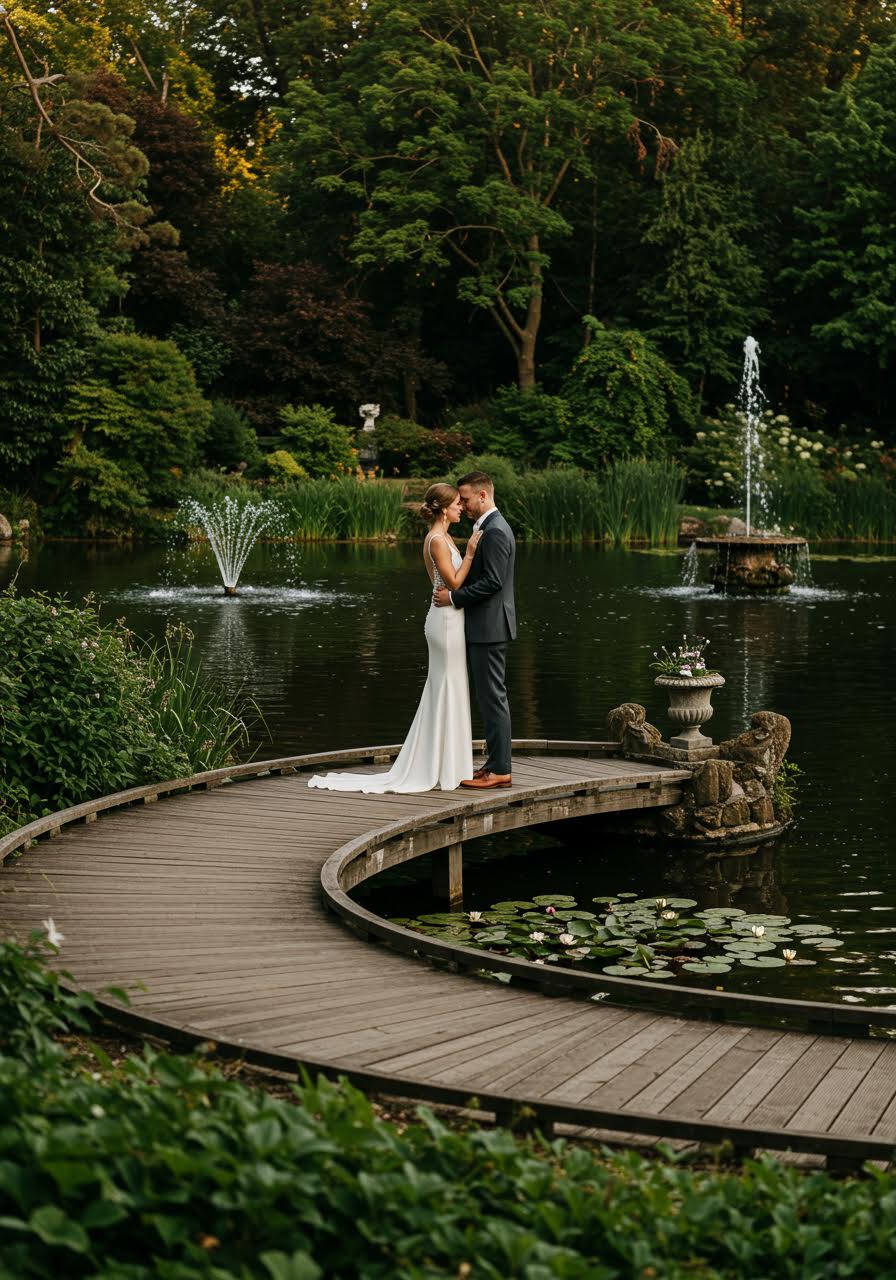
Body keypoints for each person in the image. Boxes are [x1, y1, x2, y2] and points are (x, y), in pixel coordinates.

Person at [308, 484, 482, 793]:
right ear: (443, 509)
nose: (461, 508)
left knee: (450, 685)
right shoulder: (437, 541)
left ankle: (448, 763)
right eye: (456, 503)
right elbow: (453, 582)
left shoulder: (443, 537)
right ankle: (440, 766)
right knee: (446, 686)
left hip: (450, 618)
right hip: (444, 623)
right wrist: (470, 553)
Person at [432, 470, 516, 789]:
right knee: (488, 696)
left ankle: (501, 770)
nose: (463, 505)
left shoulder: (495, 530)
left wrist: (453, 597)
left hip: (490, 626)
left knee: (493, 697)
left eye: (465, 499)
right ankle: (494, 764)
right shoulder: (487, 527)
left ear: (483, 496)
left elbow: (493, 582)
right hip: (486, 625)